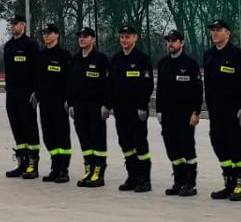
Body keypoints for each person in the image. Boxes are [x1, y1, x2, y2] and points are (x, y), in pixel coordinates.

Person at [202, 19, 241, 201]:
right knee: (218, 143)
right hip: (216, 110)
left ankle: (240, 185)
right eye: (213, 30)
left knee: (236, 146)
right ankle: (228, 182)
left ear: (228, 33)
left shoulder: (237, 54)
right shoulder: (209, 55)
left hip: (234, 110)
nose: (215, 33)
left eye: (219, 30)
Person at [154, 29, 203, 196]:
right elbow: (160, 90)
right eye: (169, 40)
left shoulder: (190, 64)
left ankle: (190, 183)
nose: (170, 44)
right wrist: (158, 110)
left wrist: (196, 112)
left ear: (182, 43)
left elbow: (198, 90)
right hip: (167, 114)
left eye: (174, 41)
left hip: (185, 113)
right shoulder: (163, 63)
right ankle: (179, 180)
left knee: (187, 147)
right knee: (171, 147)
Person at [108, 24, 154, 193]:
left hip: (137, 110)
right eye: (122, 37)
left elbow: (147, 84)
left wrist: (142, 106)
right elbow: (110, 84)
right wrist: (111, 105)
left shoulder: (142, 59)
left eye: (127, 37)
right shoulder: (116, 59)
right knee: (125, 143)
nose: (124, 40)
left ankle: (144, 179)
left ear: (135, 38)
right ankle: (132, 176)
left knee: (140, 143)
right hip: (121, 110)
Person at [67, 27, 111, 188]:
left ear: (93, 39)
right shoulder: (75, 59)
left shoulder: (101, 59)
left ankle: (99, 173)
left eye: (85, 36)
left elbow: (109, 84)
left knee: (97, 138)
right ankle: (89, 169)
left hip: (96, 106)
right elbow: (69, 84)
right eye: (80, 36)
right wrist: (70, 104)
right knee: (84, 139)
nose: (82, 39)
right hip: (79, 106)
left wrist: (106, 105)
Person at [0, 15, 42, 179]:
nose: (12, 26)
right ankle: (22, 161)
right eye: (11, 23)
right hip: (12, 92)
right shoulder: (8, 46)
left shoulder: (30, 45)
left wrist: (36, 90)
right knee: (16, 126)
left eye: (15, 23)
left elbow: (37, 70)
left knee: (29, 126)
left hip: (27, 92)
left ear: (23, 25)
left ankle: (33, 163)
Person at [34, 23, 75, 183]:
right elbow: (37, 78)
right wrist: (36, 94)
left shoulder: (64, 55)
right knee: (48, 136)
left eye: (49, 33)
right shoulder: (40, 55)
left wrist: (68, 99)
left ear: (57, 35)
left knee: (62, 135)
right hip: (44, 102)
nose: (46, 35)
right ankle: (55, 166)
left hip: (59, 102)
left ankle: (64, 169)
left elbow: (70, 80)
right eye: (44, 33)